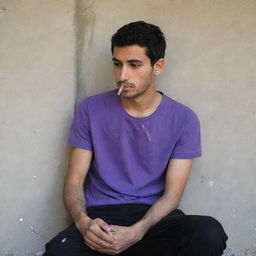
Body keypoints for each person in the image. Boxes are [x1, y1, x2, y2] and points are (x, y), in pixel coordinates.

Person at [43, 21, 227, 256]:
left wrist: (137, 232)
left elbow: (173, 194)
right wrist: (83, 222)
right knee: (59, 253)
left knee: (208, 232)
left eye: (134, 65)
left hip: (152, 220)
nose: (123, 75)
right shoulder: (90, 110)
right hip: (102, 218)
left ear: (157, 67)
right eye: (117, 64)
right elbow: (74, 182)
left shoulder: (183, 119)